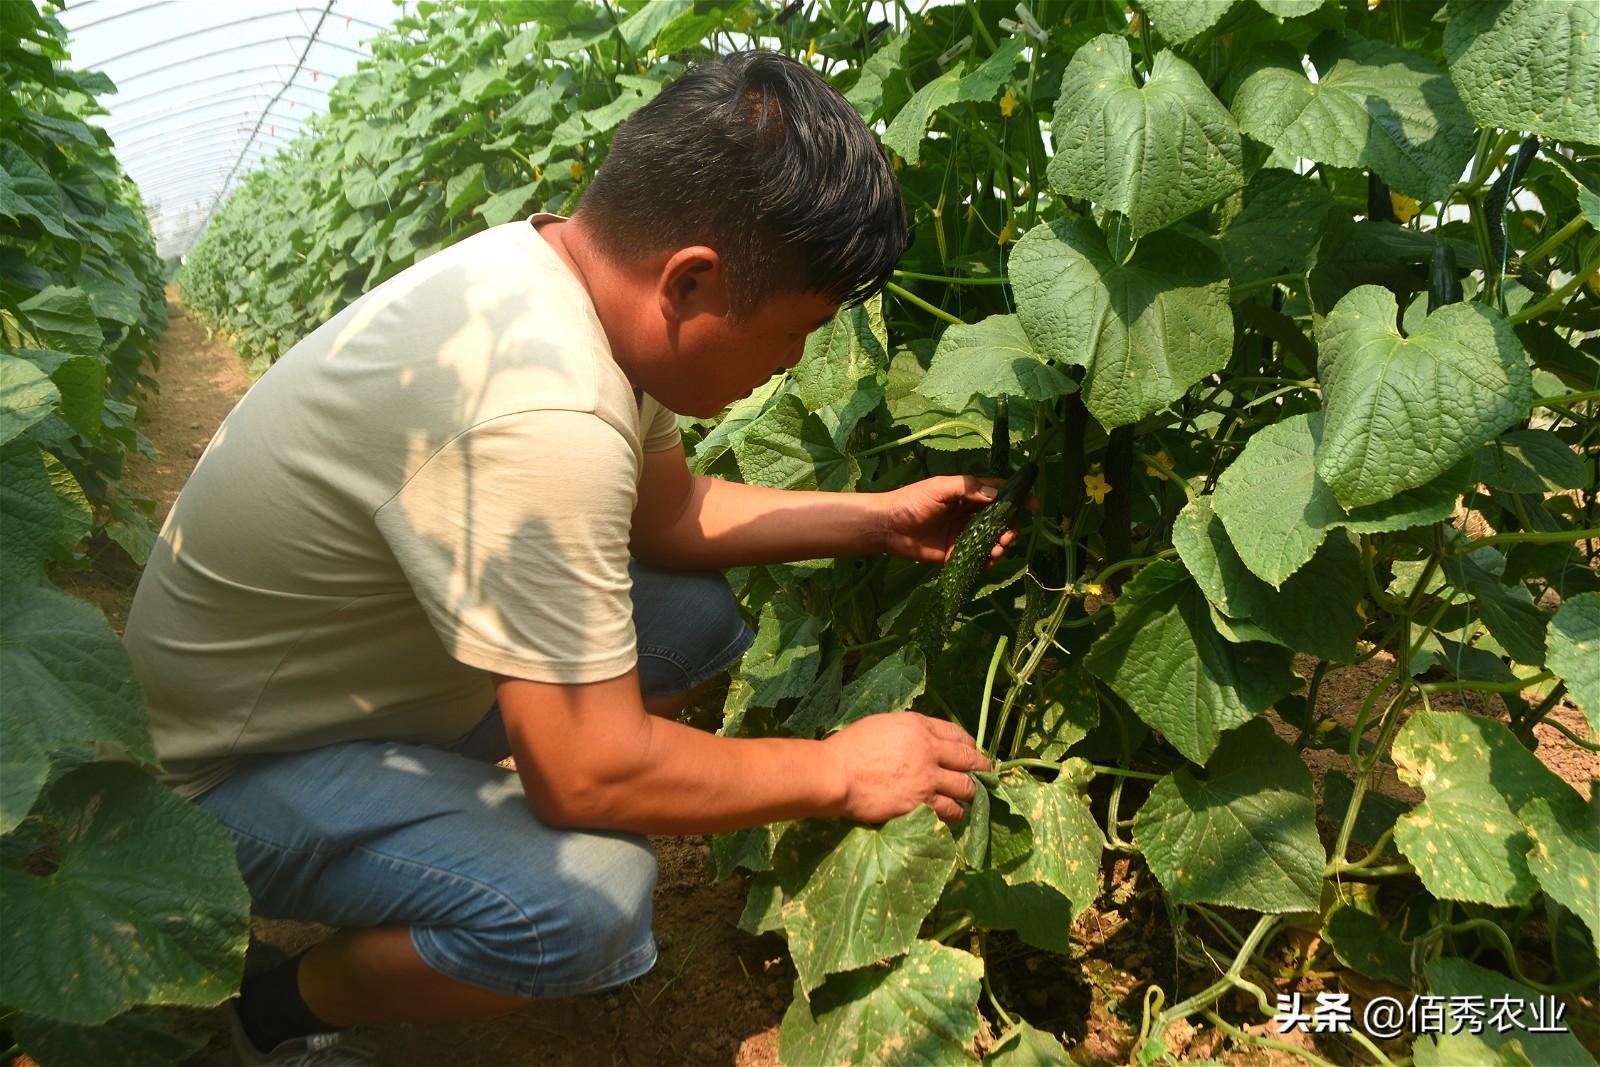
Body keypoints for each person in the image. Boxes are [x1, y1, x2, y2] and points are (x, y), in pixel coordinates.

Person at [121, 50, 1008, 1065]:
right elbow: (587, 777)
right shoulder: (543, 408)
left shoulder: (559, 282)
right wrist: (842, 769)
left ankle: (434, 848)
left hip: (336, 697)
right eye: (798, 328)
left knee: (686, 619)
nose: (795, 362)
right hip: (219, 778)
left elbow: (665, 518)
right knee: (584, 898)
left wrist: (879, 516)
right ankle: (271, 1014)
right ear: (692, 279)